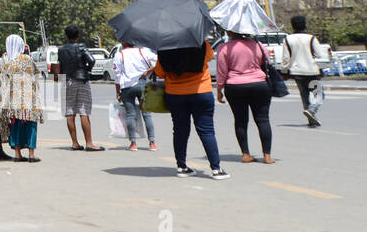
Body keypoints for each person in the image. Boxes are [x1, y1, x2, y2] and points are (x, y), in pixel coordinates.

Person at [154, 42, 228, 179]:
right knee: (207, 131)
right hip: (201, 92)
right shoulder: (200, 42)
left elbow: (159, 72)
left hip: (175, 94)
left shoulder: (165, 46)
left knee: (180, 131)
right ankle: (216, 169)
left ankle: (182, 167)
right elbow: (210, 56)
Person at [216, 26, 275, 165]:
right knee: (263, 119)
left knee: (240, 120)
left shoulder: (224, 47)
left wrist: (219, 89)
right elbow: (267, 63)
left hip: (235, 86)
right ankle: (267, 156)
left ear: (230, 32)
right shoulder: (258, 45)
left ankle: (246, 154)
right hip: (259, 84)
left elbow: (222, 71)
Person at [0, 34, 43, 162]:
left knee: (15, 126)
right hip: (28, 99)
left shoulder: (5, 61)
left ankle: (17, 154)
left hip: (12, 101)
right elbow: (36, 74)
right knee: (31, 124)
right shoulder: (27, 59)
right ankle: (31, 155)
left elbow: (0, 81)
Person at [58, 25, 103, 152]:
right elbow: (92, 60)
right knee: (84, 112)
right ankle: (89, 143)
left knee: (70, 113)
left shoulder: (61, 50)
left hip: (67, 81)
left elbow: (60, 66)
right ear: (78, 35)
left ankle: (75, 143)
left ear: (66, 36)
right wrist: (86, 70)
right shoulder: (81, 46)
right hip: (82, 80)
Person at [282, 15, 330, 127]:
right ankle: (312, 111)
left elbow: (285, 58)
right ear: (305, 25)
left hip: (297, 73)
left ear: (292, 26)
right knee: (318, 94)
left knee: (304, 96)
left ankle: (310, 119)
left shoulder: (287, 39)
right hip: (312, 72)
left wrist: (284, 71)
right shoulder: (311, 38)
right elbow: (319, 54)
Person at [113, 41, 159, 152]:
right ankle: (152, 143)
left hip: (126, 88)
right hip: (143, 85)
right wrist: (148, 70)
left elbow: (117, 76)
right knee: (147, 114)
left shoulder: (119, 55)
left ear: (123, 43)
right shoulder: (143, 51)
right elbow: (160, 61)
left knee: (130, 115)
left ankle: (133, 144)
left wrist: (118, 92)